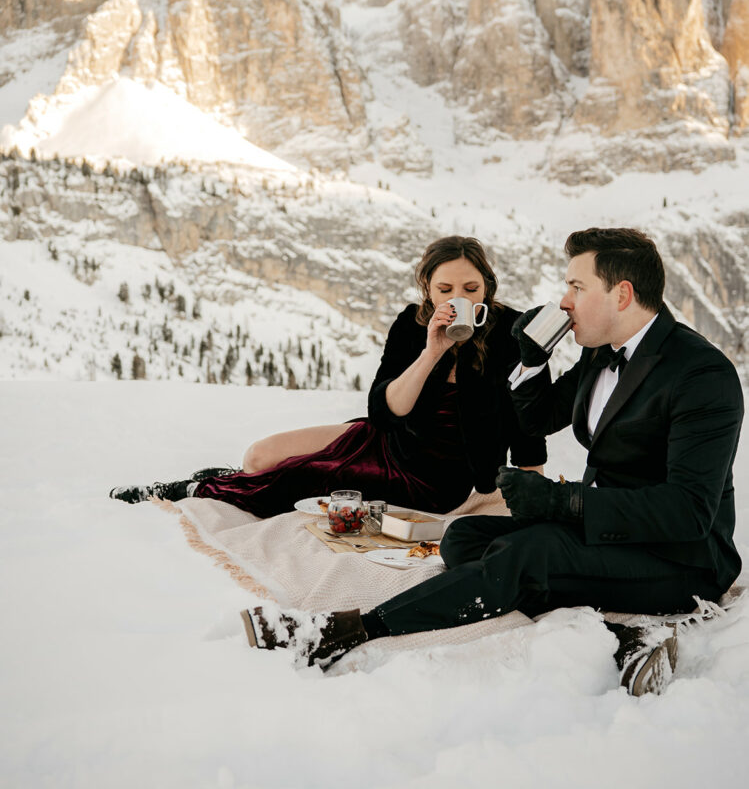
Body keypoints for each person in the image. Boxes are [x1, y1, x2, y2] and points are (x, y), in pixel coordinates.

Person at [239, 228, 744, 695]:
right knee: (464, 539)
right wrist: (530, 360)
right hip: (610, 530)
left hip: (680, 557)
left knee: (533, 553)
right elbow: (540, 416)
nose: (563, 302)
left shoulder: (701, 375)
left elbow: (689, 512)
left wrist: (562, 502)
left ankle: (343, 629)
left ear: (622, 294)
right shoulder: (602, 352)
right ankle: (624, 627)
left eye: (576, 286)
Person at [110, 236, 546, 517]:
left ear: (486, 286)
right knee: (260, 455)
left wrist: (534, 491)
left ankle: (190, 490)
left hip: (433, 481)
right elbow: (385, 410)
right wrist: (431, 352)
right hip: (385, 439)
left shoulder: (511, 330)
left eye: (471, 289)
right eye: (445, 290)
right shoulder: (412, 324)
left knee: (299, 479)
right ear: (427, 290)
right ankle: (243, 477)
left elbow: (530, 419)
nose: (458, 298)